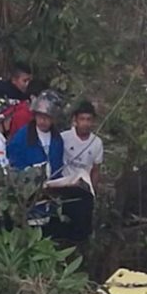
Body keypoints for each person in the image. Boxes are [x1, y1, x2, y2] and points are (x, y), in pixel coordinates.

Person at [6, 91, 66, 229]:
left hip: (49, 197)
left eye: (47, 117)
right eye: (40, 116)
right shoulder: (23, 136)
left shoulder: (57, 139)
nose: (43, 121)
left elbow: (58, 166)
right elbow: (13, 163)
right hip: (27, 197)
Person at [55, 100, 105, 242]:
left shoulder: (97, 143)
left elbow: (96, 169)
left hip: (84, 189)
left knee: (82, 230)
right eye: (82, 119)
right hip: (64, 187)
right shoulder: (64, 137)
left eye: (89, 119)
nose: (85, 123)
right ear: (75, 120)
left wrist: (93, 192)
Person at [0, 61, 33, 134]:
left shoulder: (25, 97)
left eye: (29, 81)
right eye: (25, 81)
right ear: (14, 80)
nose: (27, 84)